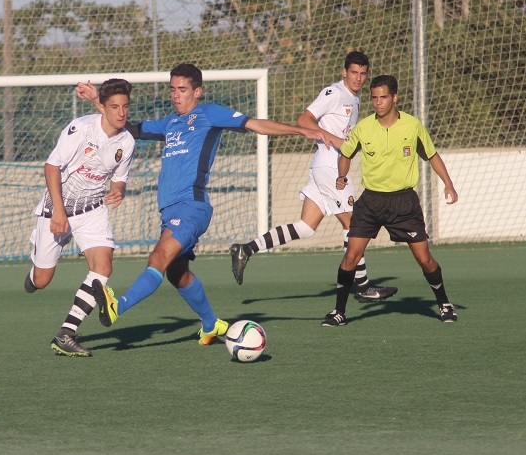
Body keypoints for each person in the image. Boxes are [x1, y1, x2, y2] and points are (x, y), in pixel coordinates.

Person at [76, 63, 335, 345]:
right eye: (172, 89)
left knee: (157, 259)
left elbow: (256, 124)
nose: (176, 95)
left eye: (182, 89)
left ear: (197, 91)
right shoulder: (169, 123)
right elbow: (126, 126)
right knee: (178, 274)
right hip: (170, 212)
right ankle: (211, 324)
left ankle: (118, 306)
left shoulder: (209, 114)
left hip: (192, 207)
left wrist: (301, 131)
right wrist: (97, 100)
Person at [229, 51, 398, 303]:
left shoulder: (354, 97)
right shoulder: (334, 93)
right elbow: (304, 119)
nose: (358, 78)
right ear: (344, 72)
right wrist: (329, 137)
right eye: (354, 72)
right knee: (354, 225)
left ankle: (246, 249)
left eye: (363, 74)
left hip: (324, 166)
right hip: (331, 169)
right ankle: (363, 287)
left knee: (306, 227)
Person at [322, 74, 459, 327]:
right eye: (374, 98)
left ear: (394, 97)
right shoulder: (364, 127)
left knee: (424, 259)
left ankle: (444, 304)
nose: (378, 102)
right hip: (370, 202)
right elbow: (346, 153)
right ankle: (338, 312)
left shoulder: (412, 126)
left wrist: (448, 184)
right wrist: (342, 175)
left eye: (383, 97)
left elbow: (432, 155)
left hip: (403, 203)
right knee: (351, 257)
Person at [24, 79, 136, 358]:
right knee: (42, 280)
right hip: (58, 208)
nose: (121, 112)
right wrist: (59, 211)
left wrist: (119, 190)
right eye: (114, 107)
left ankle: (66, 333)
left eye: (125, 106)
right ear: (103, 108)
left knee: (103, 268)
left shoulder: (127, 141)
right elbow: (51, 166)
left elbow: (119, 178)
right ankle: (35, 262)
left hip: (93, 210)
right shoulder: (81, 128)